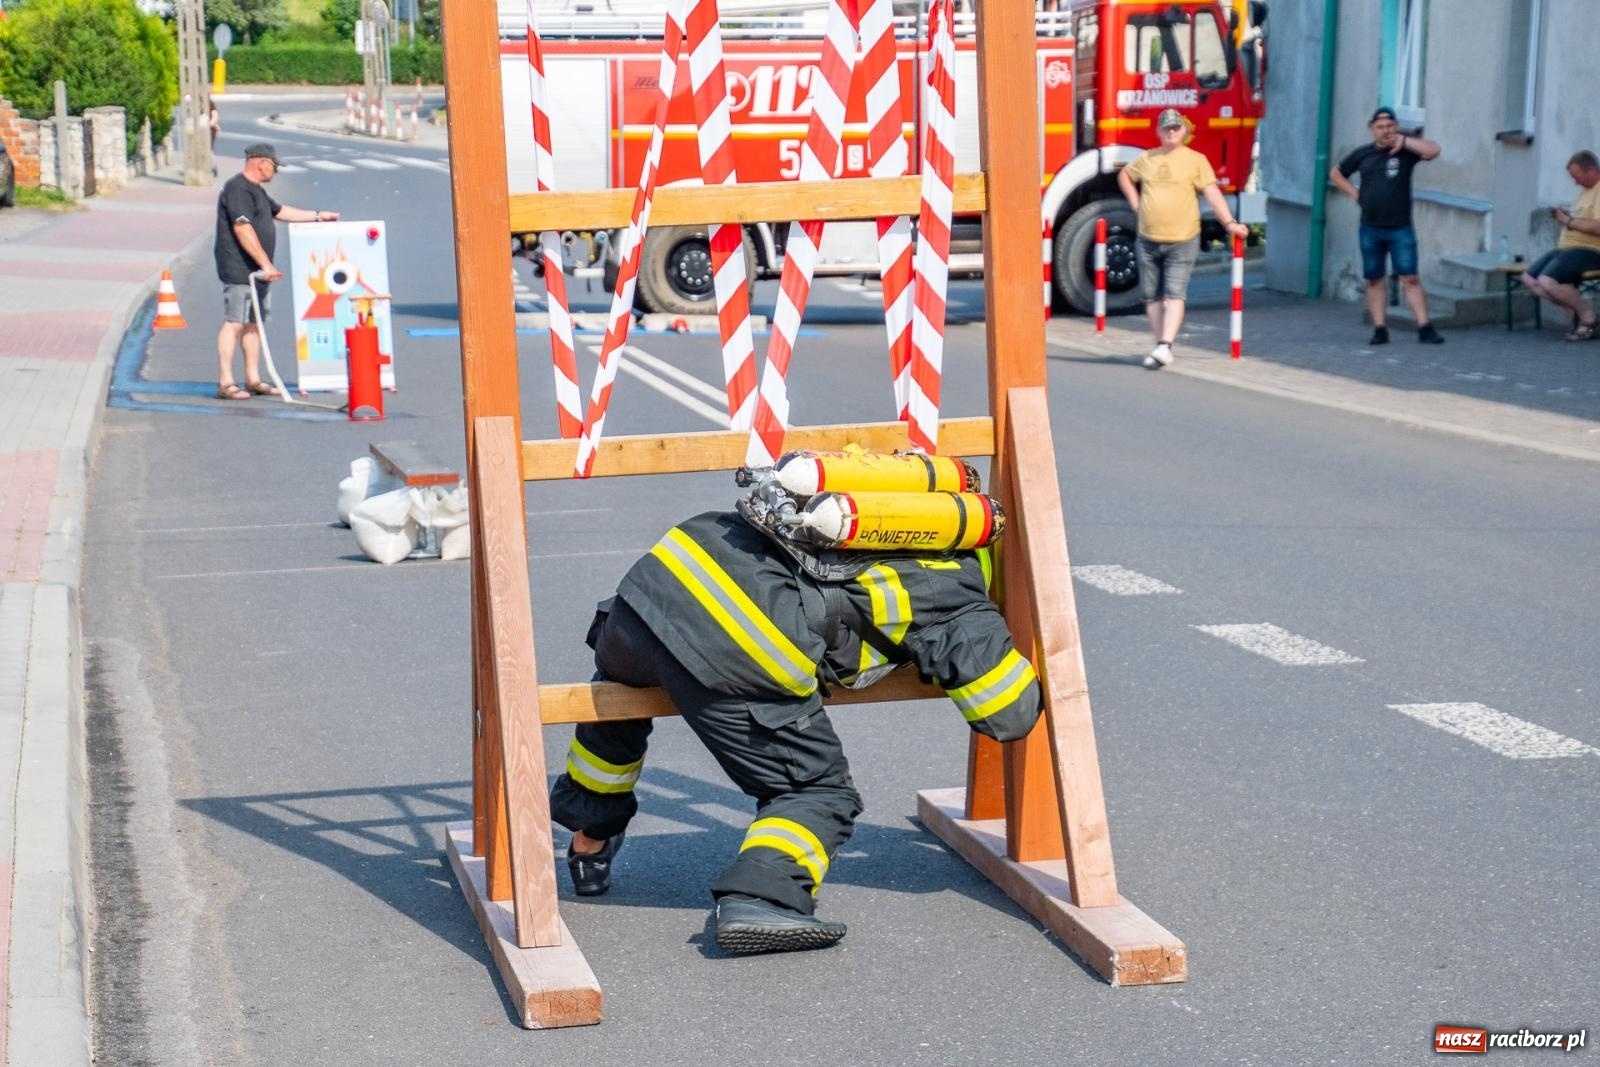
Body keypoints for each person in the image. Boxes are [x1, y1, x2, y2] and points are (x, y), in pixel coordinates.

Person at [548, 507, 1042, 954]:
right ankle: (760, 898)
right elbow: (1008, 713)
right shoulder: (954, 585)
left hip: (650, 592)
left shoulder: (846, 507)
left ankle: (590, 835)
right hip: (736, 641)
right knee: (817, 790)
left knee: (619, 698)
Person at [1116, 108, 1251, 369]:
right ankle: (1160, 345)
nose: (1171, 132)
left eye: (1175, 127)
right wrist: (1135, 203)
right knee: (1151, 296)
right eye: (1166, 128)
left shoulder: (1196, 160)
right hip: (1147, 238)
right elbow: (1124, 175)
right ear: (1158, 131)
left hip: (1182, 238)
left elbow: (1212, 193)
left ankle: (1165, 345)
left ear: (1183, 130)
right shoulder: (1147, 158)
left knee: (1176, 292)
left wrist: (1230, 224)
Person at [212, 143, 339, 400]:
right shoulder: (238, 189)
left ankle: (253, 379)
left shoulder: (257, 191)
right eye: (274, 165)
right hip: (239, 267)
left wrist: (317, 216)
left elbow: (281, 212)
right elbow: (242, 228)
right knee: (235, 322)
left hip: (256, 270)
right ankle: (226, 382)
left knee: (253, 323)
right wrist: (265, 264)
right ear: (261, 163)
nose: (276, 171)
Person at [1329, 107, 1445, 346]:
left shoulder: (1405, 152)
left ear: (1396, 127)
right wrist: (1354, 193)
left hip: (1400, 227)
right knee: (1374, 278)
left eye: (1390, 126)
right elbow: (1336, 174)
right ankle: (1380, 329)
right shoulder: (1362, 154)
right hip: (1370, 227)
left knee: (1410, 277)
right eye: (1381, 127)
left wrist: (1404, 140)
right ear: (1372, 129)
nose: (1386, 131)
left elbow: (1434, 150)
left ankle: (1424, 327)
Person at [1521, 150, 1600, 342]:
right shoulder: (1585, 192)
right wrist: (1564, 216)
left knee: (1548, 281)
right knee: (1529, 279)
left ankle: (1588, 318)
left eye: (1577, 177)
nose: (1575, 182)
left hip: (1590, 250)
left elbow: (1598, 226)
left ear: (1590, 170)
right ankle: (1576, 311)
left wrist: (1569, 221)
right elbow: (1579, 219)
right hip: (1567, 248)